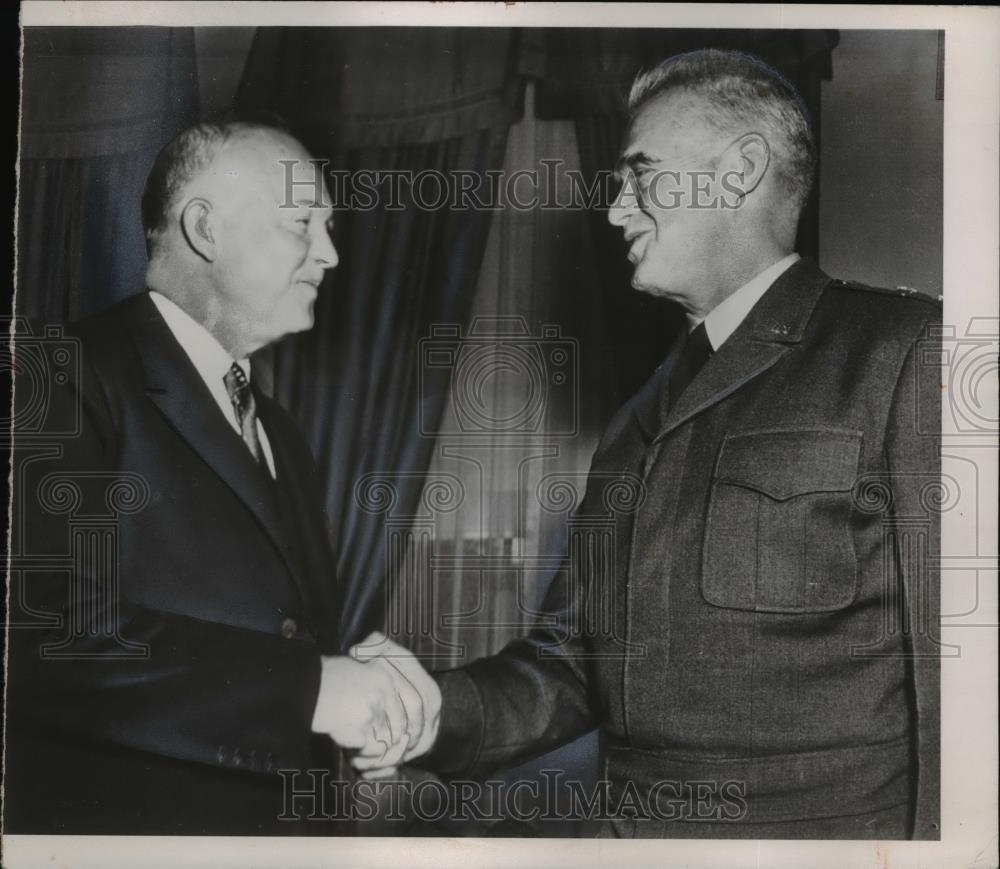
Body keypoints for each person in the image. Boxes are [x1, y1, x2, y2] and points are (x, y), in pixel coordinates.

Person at [359, 49, 941, 839]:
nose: (615, 210)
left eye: (641, 174)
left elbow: (965, 679)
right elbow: (570, 666)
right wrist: (428, 712)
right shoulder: (637, 419)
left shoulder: (902, 354)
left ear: (739, 172)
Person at [5, 121, 439, 836]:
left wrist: (356, 672)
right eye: (303, 223)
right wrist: (315, 688)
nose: (330, 255)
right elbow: (41, 637)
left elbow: (275, 629)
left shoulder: (281, 431)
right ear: (205, 228)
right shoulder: (61, 376)